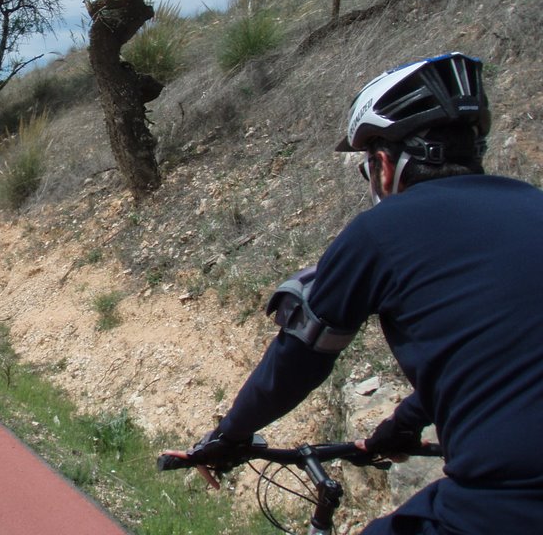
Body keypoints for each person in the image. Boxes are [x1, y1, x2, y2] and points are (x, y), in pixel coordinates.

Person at [177, 52, 543, 533]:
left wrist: (229, 435)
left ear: (385, 165)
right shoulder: (533, 208)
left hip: (507, 504)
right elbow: (500, 359)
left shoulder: (382, 231)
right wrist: (404, 423)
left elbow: (298, 359)